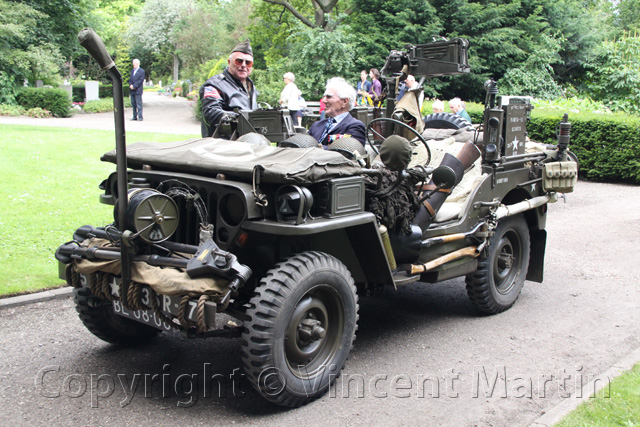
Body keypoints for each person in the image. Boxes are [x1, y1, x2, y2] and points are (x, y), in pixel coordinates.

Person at [199, 40, 258, 137]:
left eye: (248, 63)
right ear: (229, 62)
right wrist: (239, 118)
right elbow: (211, 113)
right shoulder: (214, 85)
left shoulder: (250, 86)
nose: (243, 65)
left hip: (248, 145)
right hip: (222, 147)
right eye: (239, 61)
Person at [309, 77, 367, 147]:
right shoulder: (316, 126)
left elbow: (348, 152)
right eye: (324, 96)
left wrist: (313, 149)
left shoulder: (355, 127)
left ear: (344, 101)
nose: (324, 100)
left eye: (329, 97)